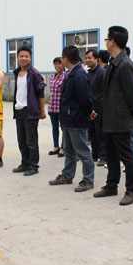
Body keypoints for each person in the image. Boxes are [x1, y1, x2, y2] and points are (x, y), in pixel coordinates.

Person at [93, 26, 133, 205]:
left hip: (120, 118)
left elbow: (131, 93)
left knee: (126, 156)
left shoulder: (125, 64)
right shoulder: (113, 62)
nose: (105, 42)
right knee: (111, 155)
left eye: (107, 39)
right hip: (110, 118)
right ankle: (111, 185)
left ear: (112, 42)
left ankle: (132, 191)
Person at [48, 46, 94, 192]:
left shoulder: (79, 75)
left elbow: (85, 99)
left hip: (76, 120)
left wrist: (88, 112)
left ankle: (88, 180)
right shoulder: (71, 73)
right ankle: (67, 175)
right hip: (68, 119)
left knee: (83, 151)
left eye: (62, 57)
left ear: (66, 59)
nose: (61, 60)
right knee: (69, 150)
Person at [12, 45, 46, 176]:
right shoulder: (17, 73)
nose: (23, 58)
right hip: (18, 110)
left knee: (31, 141)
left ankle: (33, 166)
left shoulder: (34, 73)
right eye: (21, 56)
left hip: (30, 111)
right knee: (21, 141)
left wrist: (42, 110)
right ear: (17, 58)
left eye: (26, 56)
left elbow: (41, 92)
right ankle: (25, 163)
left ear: (30, 58)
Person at [85, 49, 106, 166]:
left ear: (96, 59)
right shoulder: (88, 73)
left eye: (89, 58)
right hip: (90, 105)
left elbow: (105, 91)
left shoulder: (102, 72)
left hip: (100, 106)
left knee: (100, 132)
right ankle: (95, 154)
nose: (87, 60)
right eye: (86, 58)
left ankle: (103, 156)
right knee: (91, 132)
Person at [47, 57, 65, 157]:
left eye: (59, 64)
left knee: (64, 128)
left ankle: (63, 148)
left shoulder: (65, 76)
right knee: (54, 128)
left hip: (61, 107)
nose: (57, 66)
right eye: (56, 64)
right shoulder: (52, 76)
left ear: (63, 65)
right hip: (52, 106)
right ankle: (56, 146)